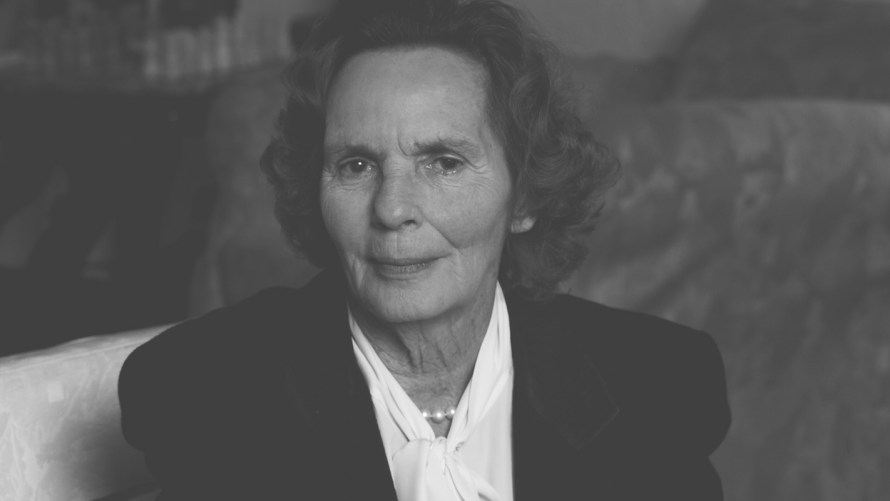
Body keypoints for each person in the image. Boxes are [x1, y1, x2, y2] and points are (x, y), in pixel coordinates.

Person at [118, 0, 731, 499]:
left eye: (443, 163)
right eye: (356, 165)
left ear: (525, 197)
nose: (392, 210)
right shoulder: (201, 392)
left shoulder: (659, 383)